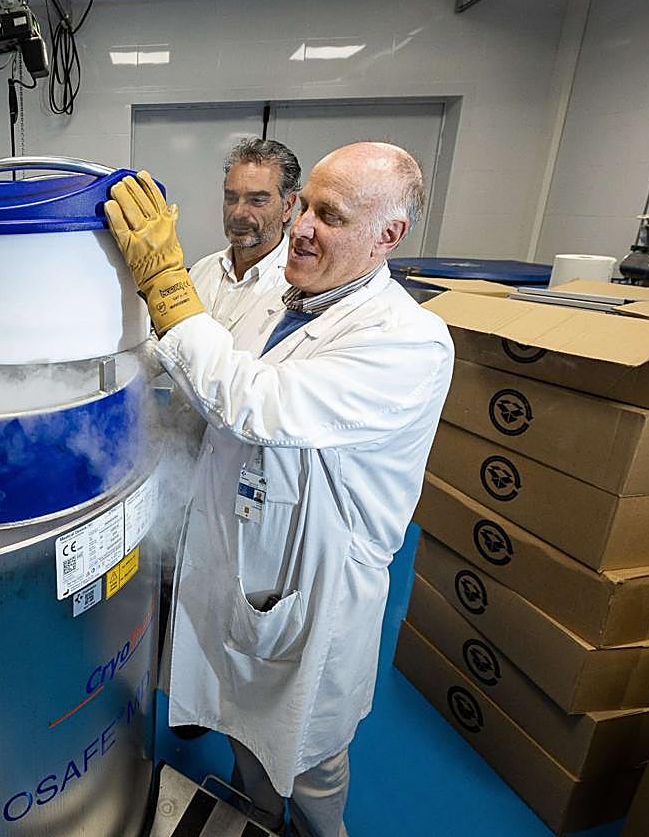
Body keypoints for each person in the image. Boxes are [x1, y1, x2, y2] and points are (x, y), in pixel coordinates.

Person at [104, 143, 454, 837]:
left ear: (388, 236)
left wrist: (168, 283)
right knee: (241, 713)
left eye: (331, 214)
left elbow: (257, 402)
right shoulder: (283, 304)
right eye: (306, 207)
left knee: (310, 751)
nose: (300, 227)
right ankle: (256, 814)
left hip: (314, 579)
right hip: (244, 545)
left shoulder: (408, 341)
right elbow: (205, 378)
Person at [189, 138, 301, 346]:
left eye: (257, 200)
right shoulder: (201, 270)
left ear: (288, 206)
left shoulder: (298, 286)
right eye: (231, 198)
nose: (238, 213)